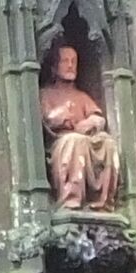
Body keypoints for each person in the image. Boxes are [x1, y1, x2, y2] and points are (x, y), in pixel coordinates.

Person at [41, 41, 120, 210]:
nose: (70, 65)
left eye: (74, 61)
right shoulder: (45, 94)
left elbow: (98, 117)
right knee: (75, 141)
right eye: (65, 61)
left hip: (85, 137)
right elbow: (46, 119)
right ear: (54, 67)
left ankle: (102, 202)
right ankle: (71, 198)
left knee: (107, 143)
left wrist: (90, 122)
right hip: (61, 142)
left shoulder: (81, 96)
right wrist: (60, 117)